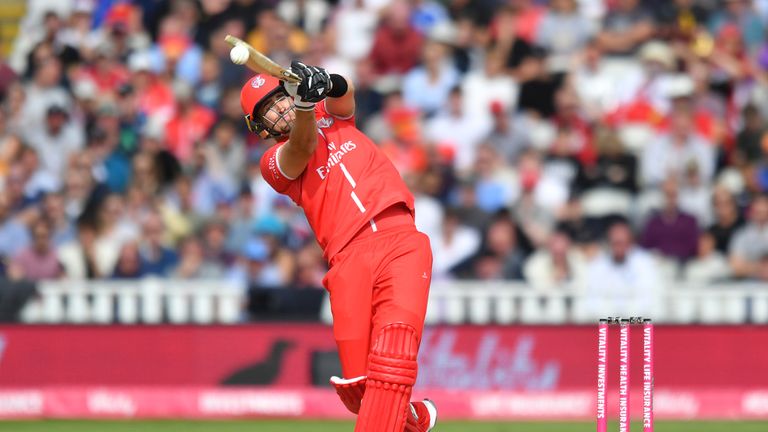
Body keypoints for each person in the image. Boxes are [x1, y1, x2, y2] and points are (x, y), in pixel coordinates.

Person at [239, 62, 436, 431]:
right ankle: (412, 420)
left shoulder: (329, 114)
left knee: (394, 354)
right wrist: (302, 106)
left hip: (399, 240)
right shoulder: (273, 164)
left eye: (280, 100)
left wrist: (326, 81)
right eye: (270, 110)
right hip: (348, 261)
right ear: (261, 128)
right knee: (359, 389)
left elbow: (345, 94)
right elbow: (303, 144)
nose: (280, 110)